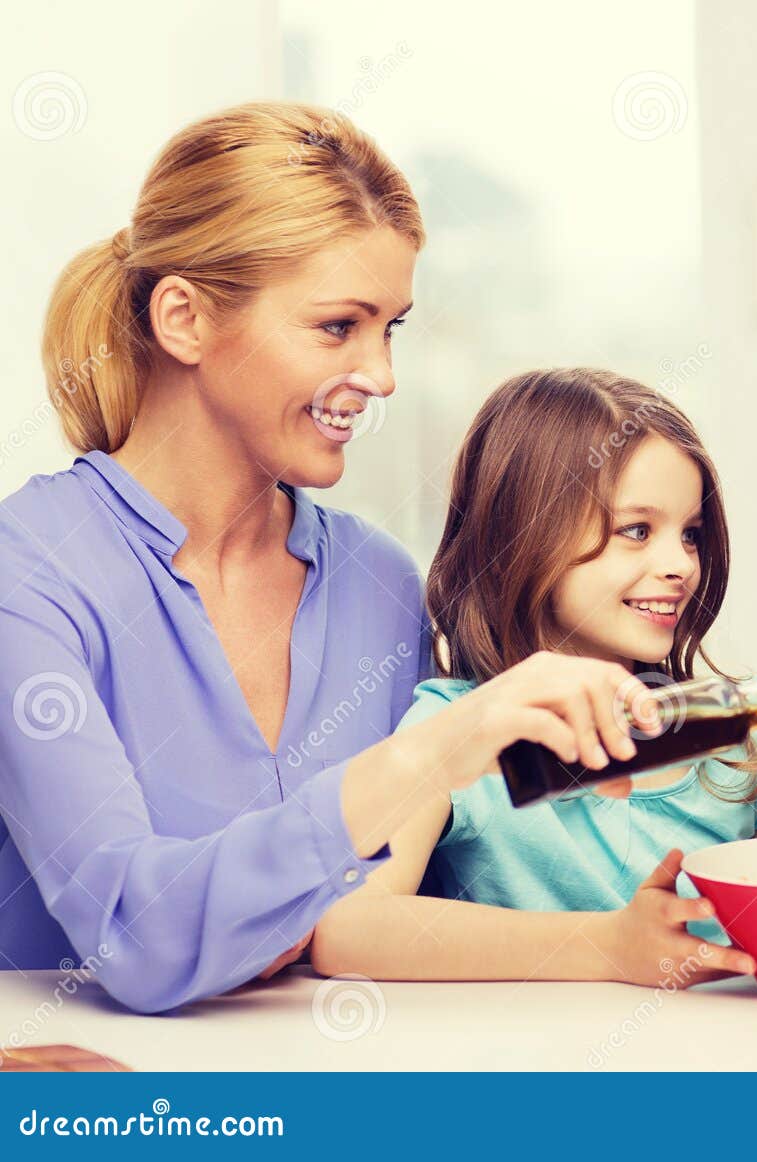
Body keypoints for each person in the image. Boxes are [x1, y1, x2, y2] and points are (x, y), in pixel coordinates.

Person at [0, 103, 646, 1012]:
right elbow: (136, 936)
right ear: (183, 319)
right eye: (339, 326)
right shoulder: (30, 574)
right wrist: (438, 750)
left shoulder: (378, 582)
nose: (381, 375)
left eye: (392, 329)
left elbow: (407, 899)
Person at [309, 369, 757, 984]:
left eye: (689, 534)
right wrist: (608, 947)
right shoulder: (461, 737)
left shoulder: (756, 742)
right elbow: (346, 933)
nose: (679, 565)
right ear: (522, 537)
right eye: (636, 531)